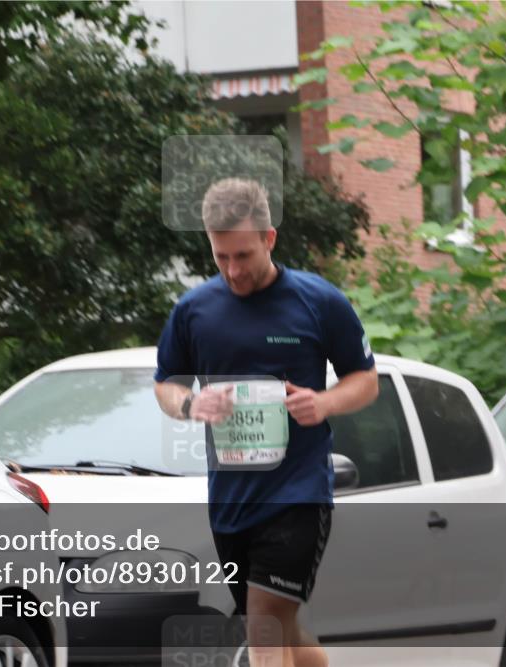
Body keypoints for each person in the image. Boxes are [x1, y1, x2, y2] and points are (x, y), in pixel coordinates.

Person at [153, 178, 379, 667]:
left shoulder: (318, 302)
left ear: (269, 239)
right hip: (231, 502)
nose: (233, 270)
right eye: (221, 257)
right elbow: (165, 386)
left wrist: (323, 403)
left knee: (265, 630)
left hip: (298, 495)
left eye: (244, 255)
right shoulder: (195, 311)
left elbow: (365, 380)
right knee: (287, 631)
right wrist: (191, 406)